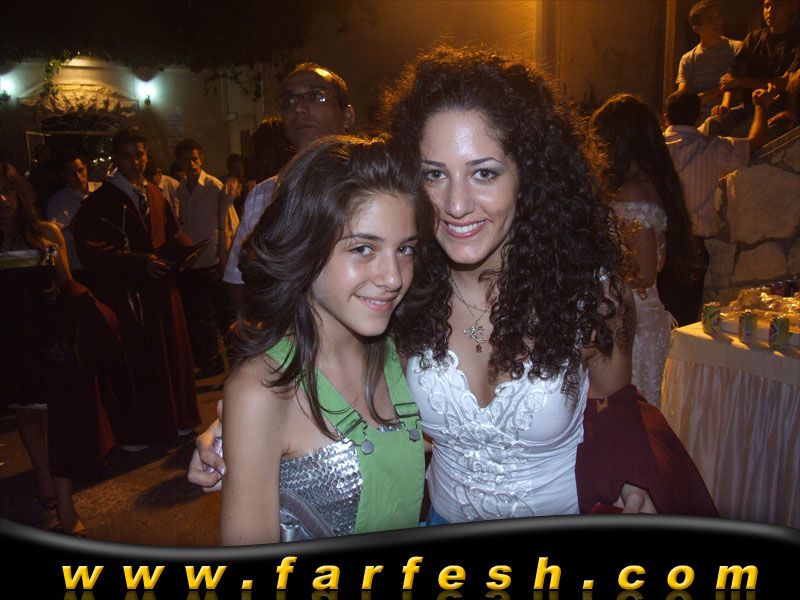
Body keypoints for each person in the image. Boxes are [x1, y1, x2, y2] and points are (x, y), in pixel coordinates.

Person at [193, 46, 718, 521]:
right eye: (434, 174)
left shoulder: (588, 293)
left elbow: (614, 403)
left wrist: (631, 479)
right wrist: (238, 430)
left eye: (484, 172)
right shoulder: (400, 288)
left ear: (529, 174)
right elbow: (326, 371)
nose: (456, 204)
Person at [220, 135, 433, 544]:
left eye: (405, 249)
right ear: (306, 246)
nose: (393, 277)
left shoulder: (403, 358)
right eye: (364, 248)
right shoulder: (262, 392)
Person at [1, 161, 119, 537]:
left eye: (8, 190)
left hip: (50, 340)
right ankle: (45, 486)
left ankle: (65, 506)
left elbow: (68, 288)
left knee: (59, 423)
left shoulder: (46, 233)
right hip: (11, 343)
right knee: (27, 416)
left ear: (21, 194)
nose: (2, 199)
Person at [72, 130, 200, 448]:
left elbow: (171, 233)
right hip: (129, 295)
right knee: (139, 362)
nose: (136, 161)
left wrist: (185, 252)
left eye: (140, 154)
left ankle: (176, 419)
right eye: (128, 156)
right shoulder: (101, 201)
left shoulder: (154, 193)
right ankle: (140, 431)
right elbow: (92, 249)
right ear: (117, 158)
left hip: (162, 290)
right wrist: (139, 262)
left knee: (171, 355)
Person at [591, 93, 700, 408]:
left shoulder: (632, 191)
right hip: (645, 314)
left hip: (633, 318)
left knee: (627, 408)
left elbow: (644, 272)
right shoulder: (650, 183)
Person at [222, 62, 355, 313]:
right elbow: (237, 283)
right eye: (289, 100)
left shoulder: (376, 186)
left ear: (347, 116)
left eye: (317, 96)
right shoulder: (263, 196)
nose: (299, 108)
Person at [663, 87, 776, 241]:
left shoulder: (651, 148)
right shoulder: (715, 147)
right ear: (699, 117)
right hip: (694, 240)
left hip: (660, 235)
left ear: (665, 118)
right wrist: (760, 106)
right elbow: (756, 141)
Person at [174, 138, 233, 378]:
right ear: (179, 162)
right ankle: (213, 363)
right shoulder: (179, 190)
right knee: (202, 318)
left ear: (201, 159)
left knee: (224, 316)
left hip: (213, 261)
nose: (191, 164)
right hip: (193, 263)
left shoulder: (214, 187)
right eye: (186, 160)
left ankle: (237, 363)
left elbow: (228, 223)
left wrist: (224, 260)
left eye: (194, 159)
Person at [711, 0, 800, 136]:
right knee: (713, 124)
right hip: (748, 105)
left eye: (777, 6)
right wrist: (725, 105)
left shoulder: (796, 39)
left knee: (738, 136)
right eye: (767, 6)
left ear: (791, 8)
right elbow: (731, 77)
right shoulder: (754, 38)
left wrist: (739, 81)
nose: (770, 11)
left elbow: (784, 82)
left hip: (776, 106)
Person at [676, 0, 742, 121]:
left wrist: (703, 98)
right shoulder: (688, 59)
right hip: (697, 120)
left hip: (730, 117)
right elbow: (683, 101)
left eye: (718, 18)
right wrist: (719, 89)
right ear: (697, 29)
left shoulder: (736, 48)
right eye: (710, 20)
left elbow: (739, 89)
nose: (717, 23)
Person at [46, 151, 101, 278]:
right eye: (72, 174)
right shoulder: (57, 202)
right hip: (77, 267)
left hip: (104, 261)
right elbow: (57, 240)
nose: (78, 177)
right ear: (64, 175)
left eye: (81, 171)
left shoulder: (100, 190)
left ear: (86, 168)